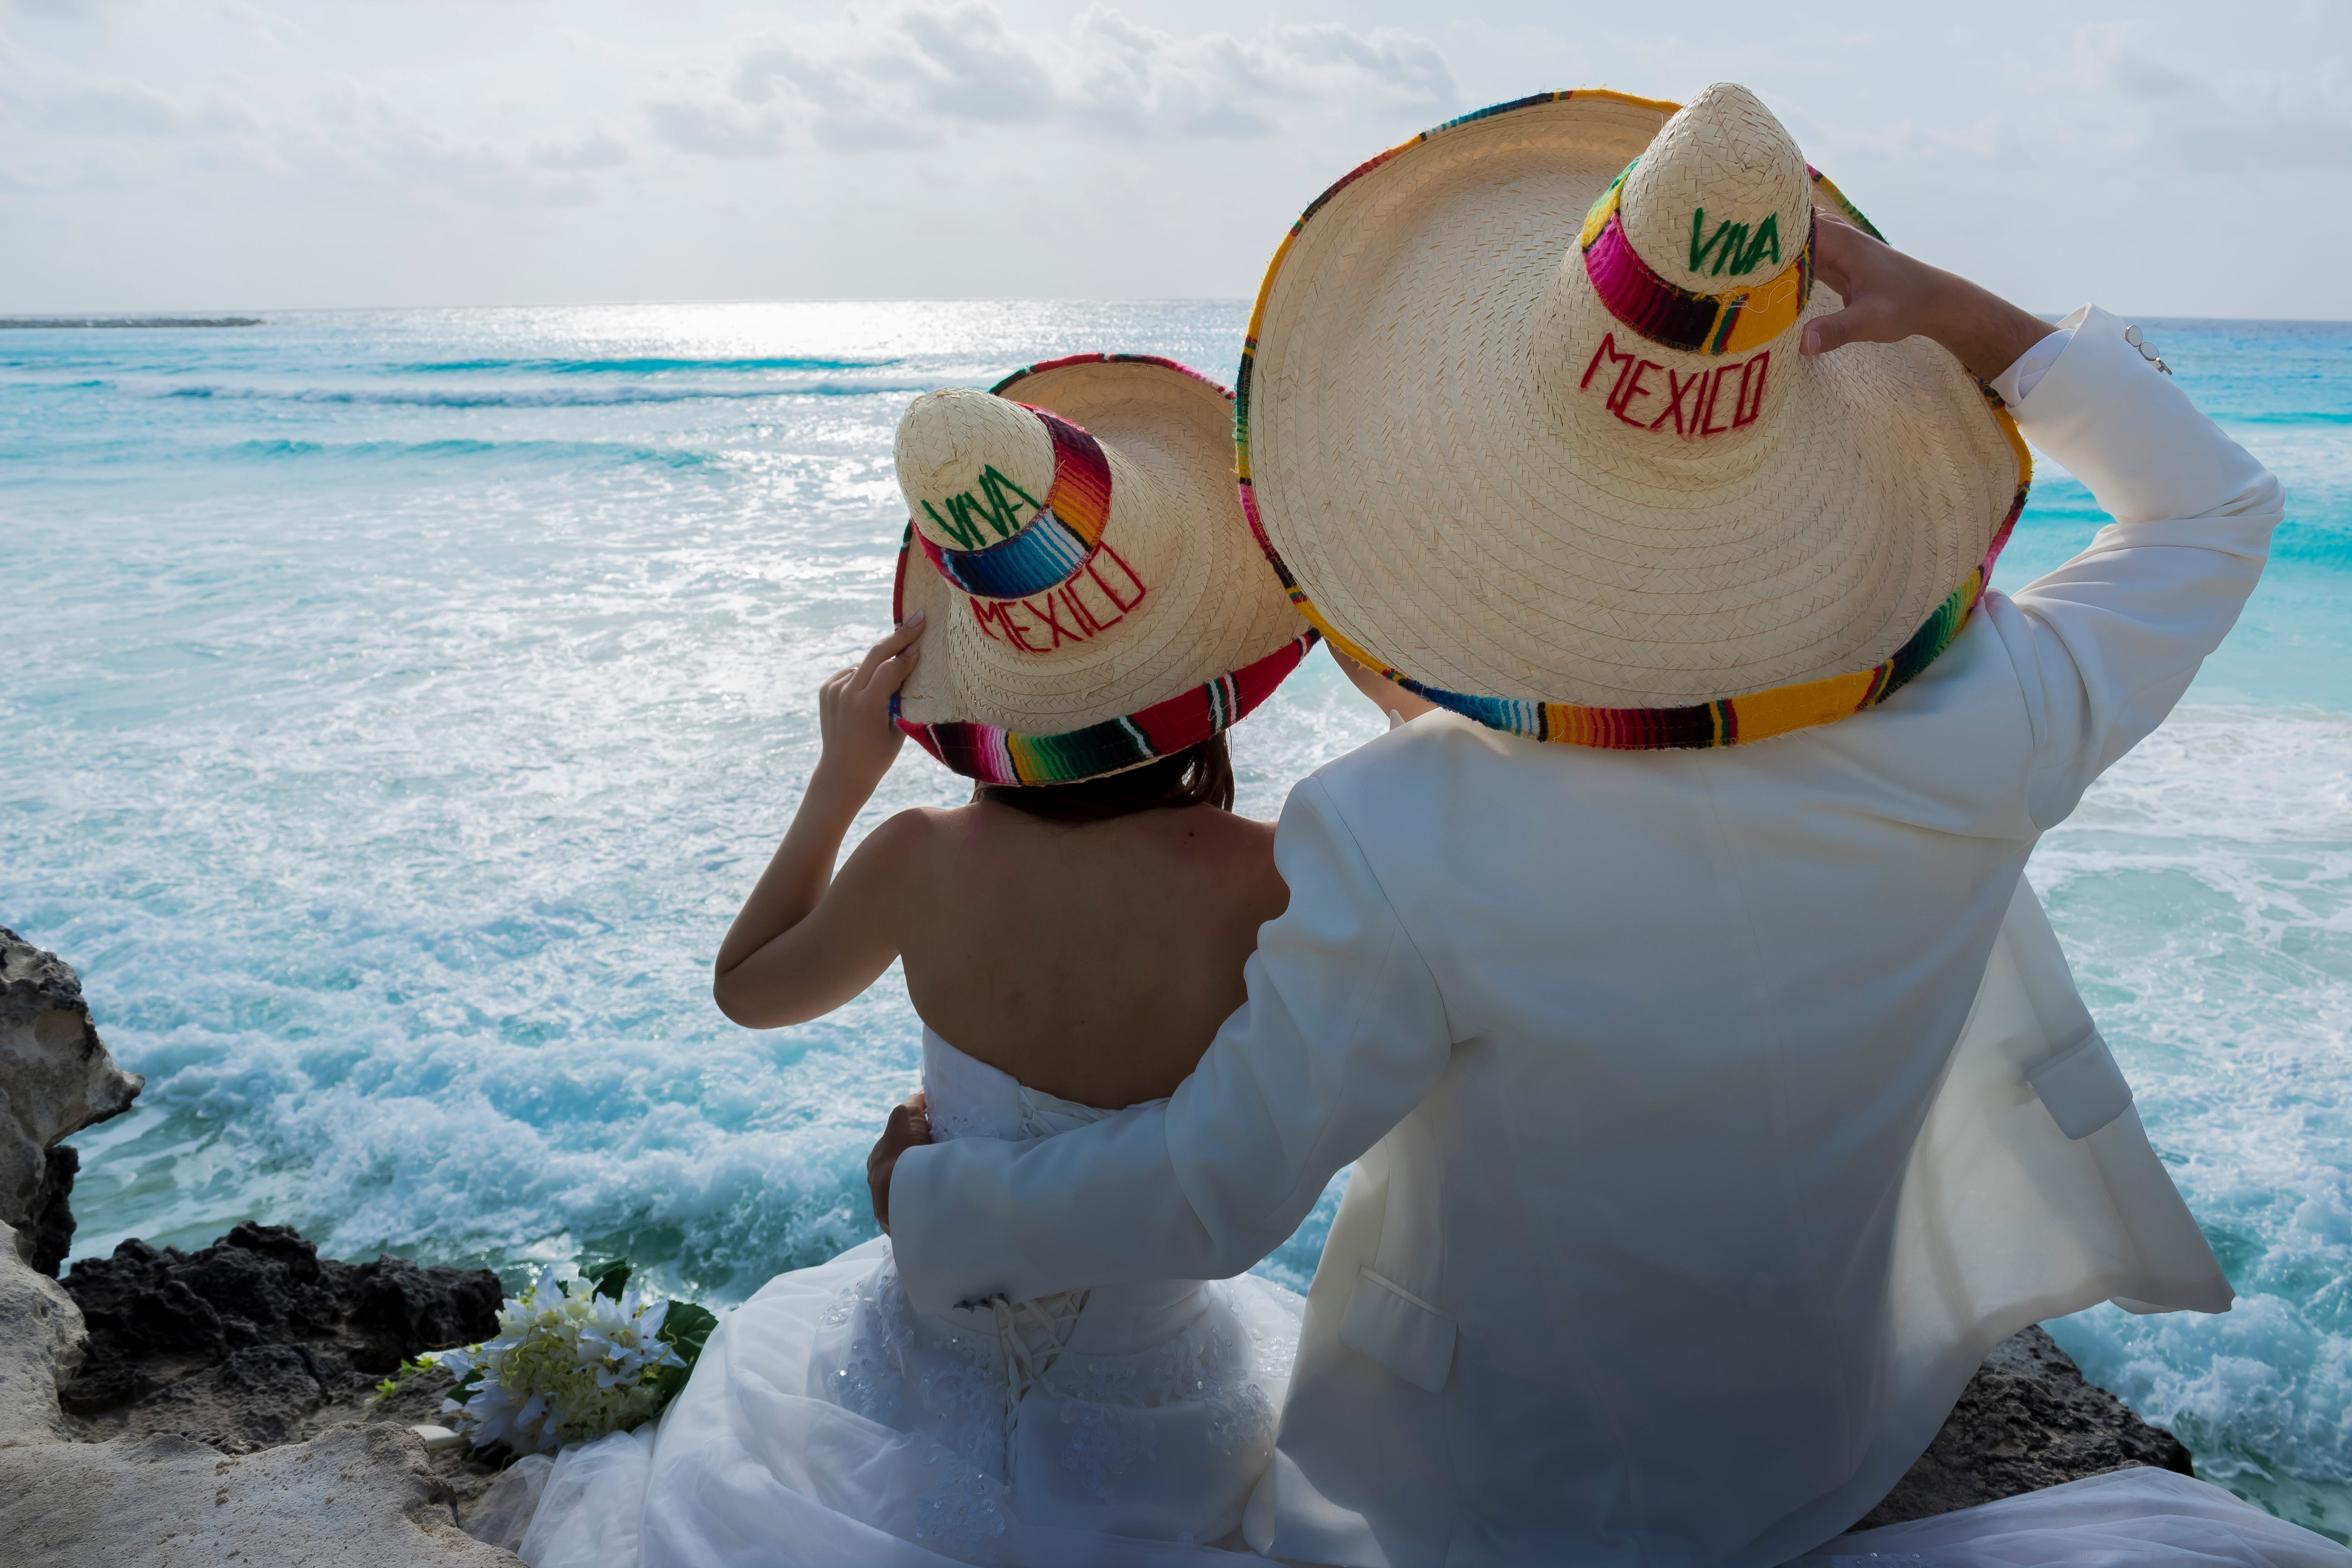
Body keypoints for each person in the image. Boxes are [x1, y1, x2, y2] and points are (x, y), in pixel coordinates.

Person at [872, 87, 2326, 1566]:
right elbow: (2211, 509)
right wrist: (1979, 323)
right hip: (1822, 1438)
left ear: (1493, 500)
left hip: (1482, 1497)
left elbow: (1214, 1192)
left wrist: (944, 1201)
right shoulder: (1996, 714)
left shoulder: (1396, 826)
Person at [514, 354, 1321, 1567]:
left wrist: (841, 780)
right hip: (1169, 1417)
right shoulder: (1278, 877)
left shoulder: (919, 860)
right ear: (1201, 672)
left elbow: (750, 990)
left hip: (924, 1373)